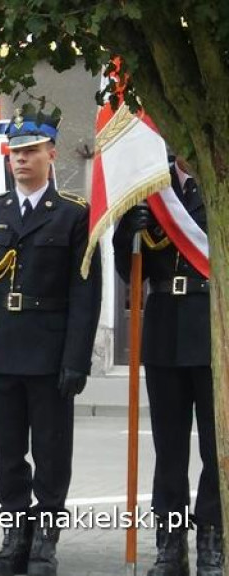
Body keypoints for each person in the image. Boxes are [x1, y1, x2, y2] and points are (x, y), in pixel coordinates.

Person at [0, 106, 102, 576]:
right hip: (1, 349)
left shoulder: (73, 215)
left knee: (51, 450)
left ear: (51, 154)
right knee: (6, 451)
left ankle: (45, 540)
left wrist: (76, 359)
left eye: (31, 151)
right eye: (15, 152)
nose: (21, 160)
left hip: (49, 350)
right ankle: (14, 536)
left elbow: (86, 294)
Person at [113, 156, 223, 576]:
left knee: (215, 449)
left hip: (212, 326)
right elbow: (129, 269)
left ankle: (212, 541)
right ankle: (170, 544)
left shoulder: (220, 182)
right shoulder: (152, 189)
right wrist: (129, 233)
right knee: (169, 450)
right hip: (163, 329)